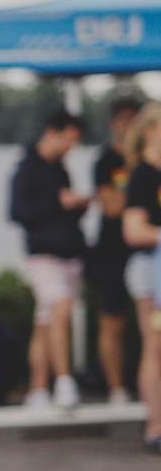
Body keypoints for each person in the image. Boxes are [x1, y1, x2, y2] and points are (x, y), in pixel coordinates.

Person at [8, 108, 90, 410]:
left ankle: (37, 389)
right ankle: (65, 382)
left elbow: (65, 212)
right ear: (52, 133)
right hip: (43, 255)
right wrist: (58, 203)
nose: (71, 146)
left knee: (46, 324)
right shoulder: (26, 169)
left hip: (68, 253)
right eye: (68, 139)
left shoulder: (60, 170)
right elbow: (17, 212)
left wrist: (78, 206)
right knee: (61, 310)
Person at [88, 94, 142, 403]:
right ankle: (115, 387)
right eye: (125, 120)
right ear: (114, 123)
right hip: (113, 251)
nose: (129, 126)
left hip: (146, 250)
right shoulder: (105, 161)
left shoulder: (149, 161)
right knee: (113, 319)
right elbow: (111, 208)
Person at [121, 101, 161, 453]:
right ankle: (155, 426)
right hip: (151, 272)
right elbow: (133, 231)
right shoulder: (142, 176)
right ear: (150, 131)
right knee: (155, 346)